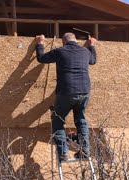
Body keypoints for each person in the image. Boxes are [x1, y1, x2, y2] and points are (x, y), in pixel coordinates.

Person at [35, 32, 97, 161]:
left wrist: (40, 43)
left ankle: (63, 152)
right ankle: (85, 151)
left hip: (66, 92)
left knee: (58, 120)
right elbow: (93, 60)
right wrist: (92, 46)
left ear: (64, 41)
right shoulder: (85, 52)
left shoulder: (60, 51)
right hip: (84, 91)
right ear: (76, 40)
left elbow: (41, 58)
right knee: (81, 120)